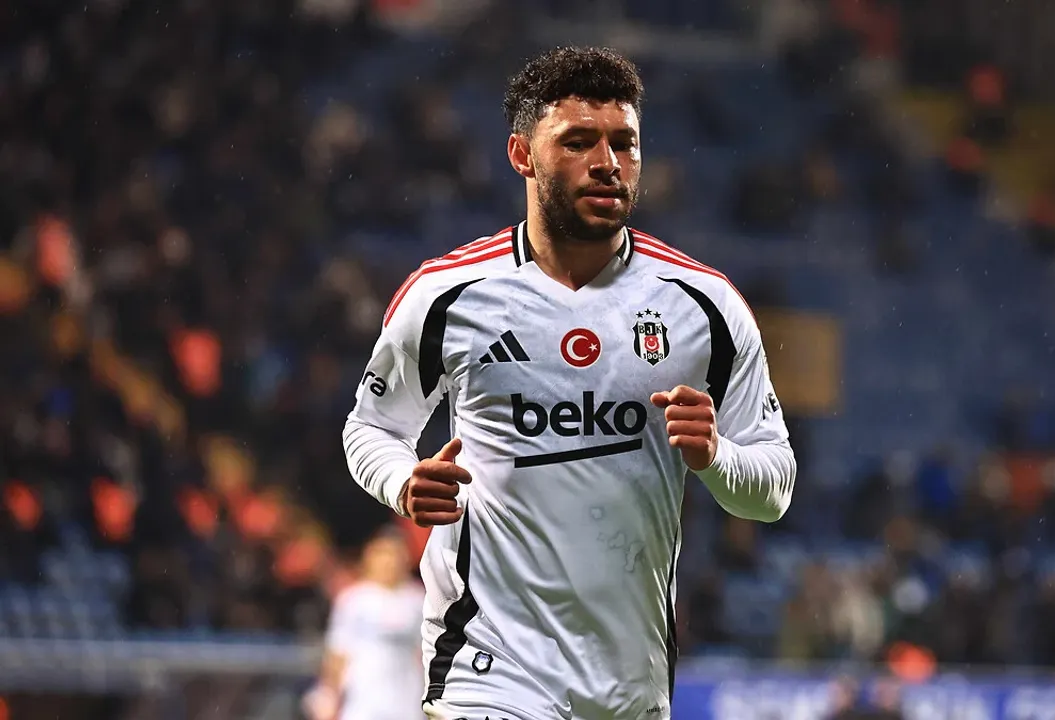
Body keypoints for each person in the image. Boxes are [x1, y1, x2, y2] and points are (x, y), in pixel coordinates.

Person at [342, 46, 796, 720]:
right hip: (486, 667)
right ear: (521, 155)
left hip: (628, 683)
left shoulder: (705, 307)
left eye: (624, 143)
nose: (607, 162)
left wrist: (716, 457)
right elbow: (371, 427)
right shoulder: (446, 295)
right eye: (579, 142)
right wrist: (401, 480)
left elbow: (774, 490)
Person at [304, 528, 425, 720]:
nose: (389, 562)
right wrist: (329, 692)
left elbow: (427, 654)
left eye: (394, 554)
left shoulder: (419, 600)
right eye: (382, 554)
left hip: (407, 702)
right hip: (363, 702)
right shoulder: (353, 600)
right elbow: (338, 652)